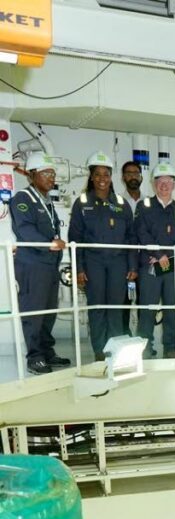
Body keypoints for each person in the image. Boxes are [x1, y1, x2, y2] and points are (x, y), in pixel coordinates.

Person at [68, 151, 136, 361]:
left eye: (106, 174)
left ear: (111, 176)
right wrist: (79, 268)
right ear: (91, 176)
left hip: (118, 262)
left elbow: (131, 238)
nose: (102, 179)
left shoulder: (122, 203)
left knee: (116, 308)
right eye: (97, 174)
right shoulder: (81, 203)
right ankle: (99, 350)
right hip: (93, 262)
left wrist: (132, 266)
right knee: (97, 307)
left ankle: (115, 348)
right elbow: (75, 239)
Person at [9, 151, 69, 375]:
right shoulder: (22, 199)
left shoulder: (47, 202)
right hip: (32, 264)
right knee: (33, 313)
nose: (51, 177)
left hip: (49, 265)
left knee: (49, 312)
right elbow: (24, 230)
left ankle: (46, 351)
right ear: (32, 175)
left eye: (52, 173)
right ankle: (35, 357)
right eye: (46, 173)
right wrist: (50, 244)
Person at [134, 162, 175, 358]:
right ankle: (145, 346)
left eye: (168, 181)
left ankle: (170, 346)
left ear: (174, 184)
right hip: (151, 265)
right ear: (153, 183)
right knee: (148, 309)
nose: (164, 185)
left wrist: (168, 257)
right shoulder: (144, 206)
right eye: (160, 181)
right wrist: (159, 256)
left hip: (172, 266)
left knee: (172, 309)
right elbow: (142, 232)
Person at [121, 160, 144, 335]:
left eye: (136, 173)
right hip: (123, 260)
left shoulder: (149, 202)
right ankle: (124, 335)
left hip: (144, 261)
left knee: (145, 300)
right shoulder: (118, 202)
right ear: (123, 177)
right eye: (129, 173)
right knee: (124, 301)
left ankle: (144, 337)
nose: (133, 176)